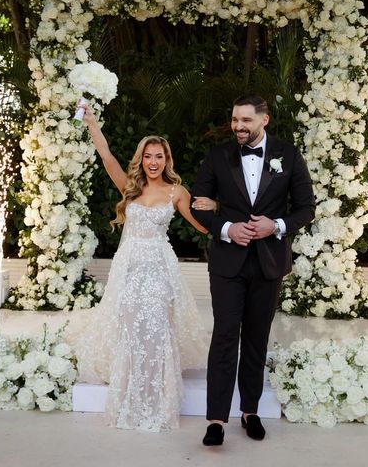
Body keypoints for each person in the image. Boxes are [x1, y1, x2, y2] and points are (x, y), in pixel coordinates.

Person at [72, 104, 214, 432]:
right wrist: (91, 122)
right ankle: (129, 395)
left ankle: (158, 399)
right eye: (148, 156)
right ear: (142, 159)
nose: (153, 162)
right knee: (129, 327)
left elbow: (203, 225)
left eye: (159, 157)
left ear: (167, 160)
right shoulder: (130, 188)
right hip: (129, 268)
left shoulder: (176, 191)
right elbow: (106, 155)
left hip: (159, 268)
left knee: (156, 327)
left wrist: (218, 206)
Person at [190, 94, 315, 446]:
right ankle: (215, 419)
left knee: (257, 338)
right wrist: (228, 229)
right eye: (234, 120)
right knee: (225, 336)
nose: (238, 127)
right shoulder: (218, 155)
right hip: (228, 263)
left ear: (265, 120)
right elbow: (199, 206)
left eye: (245, 120)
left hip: (269, 262)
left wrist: (274, 226)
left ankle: (250, 411)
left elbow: (306, 208)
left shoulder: (288, 155)